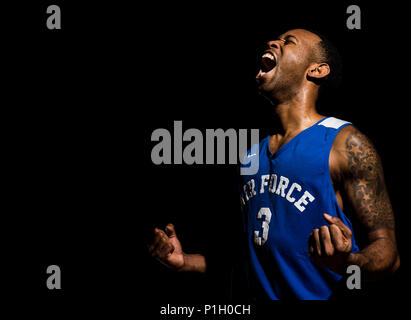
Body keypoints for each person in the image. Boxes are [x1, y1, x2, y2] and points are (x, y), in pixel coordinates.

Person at [148, 29, 400, 299]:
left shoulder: (346, 144)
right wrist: (185, 261)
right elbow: (251, 253)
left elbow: (388, 253)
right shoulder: (251, 156)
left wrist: (347, 263)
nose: (272, 42)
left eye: (287, 41)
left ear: (317, 70)